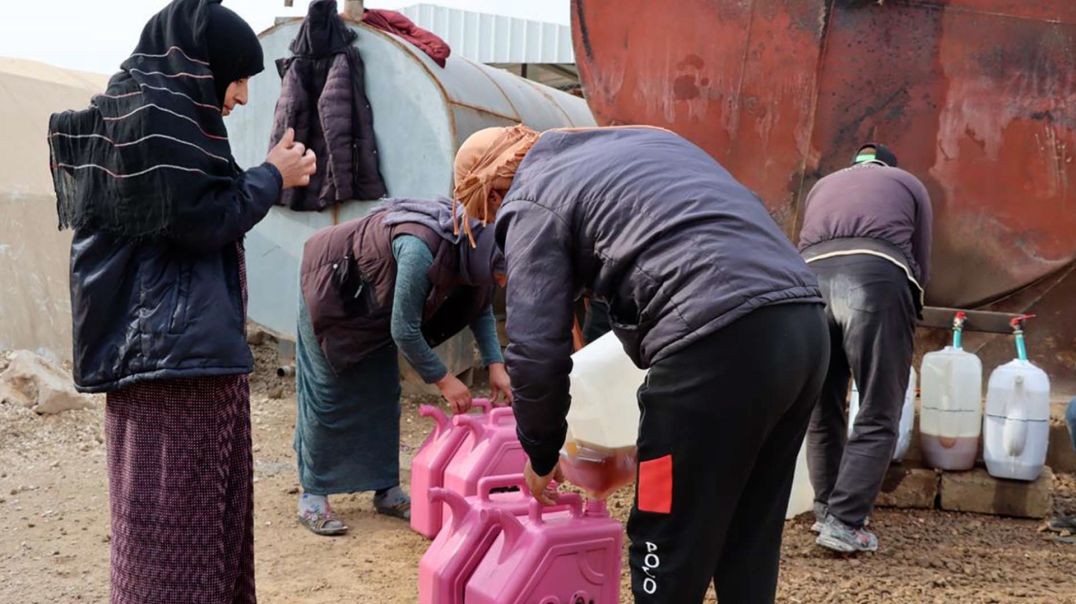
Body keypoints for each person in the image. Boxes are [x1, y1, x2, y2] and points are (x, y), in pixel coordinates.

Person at [452, 124, 829, 603]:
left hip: (715, 338)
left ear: (497, 189)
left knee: (664, 536)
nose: (496, 220)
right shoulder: (639, 143)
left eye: (489, 211)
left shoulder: (532, 196)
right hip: (803, 326)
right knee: (750, 532)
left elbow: (534, 350)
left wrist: (542, 453)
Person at [46, 0, 316, 601]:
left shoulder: (137, 113)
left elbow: (184, 213)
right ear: (203, 65)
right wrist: (272, 173)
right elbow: (201, 220)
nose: (242, 96)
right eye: (239, 77)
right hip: (177, 365)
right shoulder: (156, 120)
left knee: (178, 530)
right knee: (179, 540)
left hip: (165, 358)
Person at [293, 197, 511, 535]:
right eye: (500, 275)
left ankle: (387, 491)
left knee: (383, 393)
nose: (500, 283)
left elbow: (478, 305)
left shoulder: (478, 246)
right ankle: (313, 495)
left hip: (374, 301)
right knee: (329, 394)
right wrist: (443, 378)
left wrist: (496, 364)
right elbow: (403, 330)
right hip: (332, 288)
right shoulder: (420, 250)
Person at [797, 143, 933, 553]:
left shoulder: (822, 186)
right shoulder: (908, 183)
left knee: (822, 404)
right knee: (878, 406)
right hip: (874, 278)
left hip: (808, 281)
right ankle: (845, 522)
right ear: (888, 166)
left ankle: (827, 511)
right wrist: (912, 307)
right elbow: (920, 257)